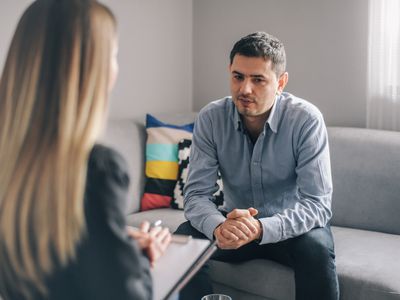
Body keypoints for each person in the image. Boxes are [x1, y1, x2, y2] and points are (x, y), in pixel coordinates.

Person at [0, 1, 170, 299]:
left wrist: (115, 240)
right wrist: (141, 258)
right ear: (93, 69)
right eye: (114, 55)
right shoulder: (96, 168)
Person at [175, 32, 340, 300]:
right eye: (238, 76)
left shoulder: (306, 120)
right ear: (229, 71)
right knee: (183, 240)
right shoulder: (211, 118)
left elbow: (317, 204)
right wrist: (218, 227)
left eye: (258, 80)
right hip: (233, 228)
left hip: (290, 230)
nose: (245, 89)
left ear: (281, 82)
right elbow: (195, 196)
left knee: (316, 247)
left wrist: (261, 228)